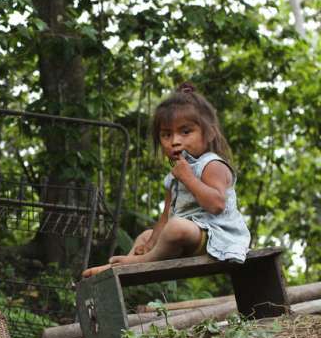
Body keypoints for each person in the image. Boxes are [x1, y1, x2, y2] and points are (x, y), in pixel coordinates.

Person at [82, 83, 250, 278]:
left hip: (217, 237)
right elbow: (166, 215)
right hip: (185, 239)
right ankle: (122, 269)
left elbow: (217, 205)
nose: (175, 141)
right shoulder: (174, 175)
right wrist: (150, 243)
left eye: (185, 132)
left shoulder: (212, 164)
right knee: (147, 235)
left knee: (176, 227)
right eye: (166, 134)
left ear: (210, 133)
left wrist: (188, 177)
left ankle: (138, 263)